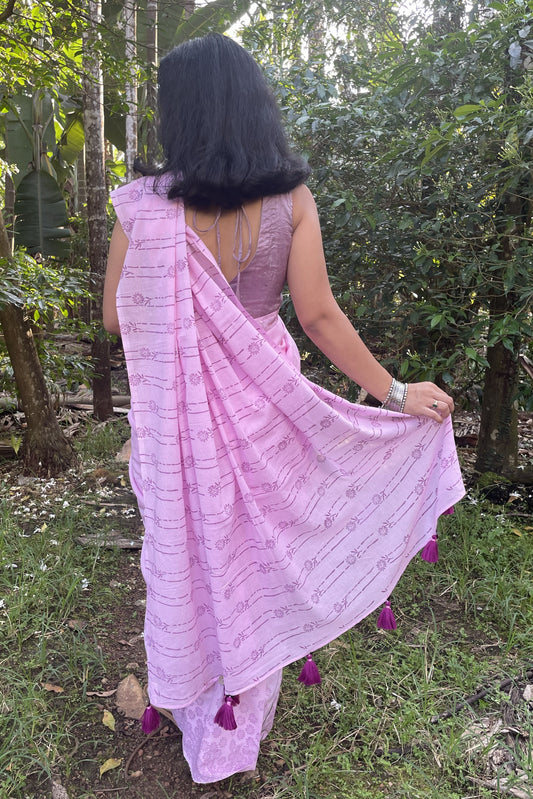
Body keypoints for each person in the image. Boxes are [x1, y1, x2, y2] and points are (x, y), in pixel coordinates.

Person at [103, 32, 464, 784]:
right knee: (254, 562)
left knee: (196, 557)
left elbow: (114, 315)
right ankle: (239, 721)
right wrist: (397, 394)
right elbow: (320, 318)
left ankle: (203, 706)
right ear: (252, 105)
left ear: (182, 115)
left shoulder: (145, 208)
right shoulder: (291, 201)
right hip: (268, 408)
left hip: (179, 426)